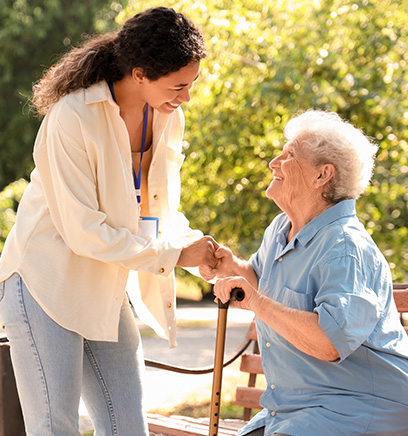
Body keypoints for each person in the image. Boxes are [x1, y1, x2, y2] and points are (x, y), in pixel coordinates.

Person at [0, 7, 217, 436]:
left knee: (127, 427)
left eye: (191, 84)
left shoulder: (168, 115)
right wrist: (173, 254)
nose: (186, 97)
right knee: (54, 426)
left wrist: (201, 255)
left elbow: (158, 208)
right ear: (139, 74)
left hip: (105, 284)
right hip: (47, 282)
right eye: (178, 86)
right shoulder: (72, 118)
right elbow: (83, 231)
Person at [203, 110, 408, 436]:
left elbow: (330, 343)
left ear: (322, 175)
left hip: (355, 411)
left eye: (289, 155)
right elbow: (261, 286)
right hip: (293, 412)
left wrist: (256, 301)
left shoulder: (345, 247)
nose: (273, 162)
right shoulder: (282, 229)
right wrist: (231, 267)